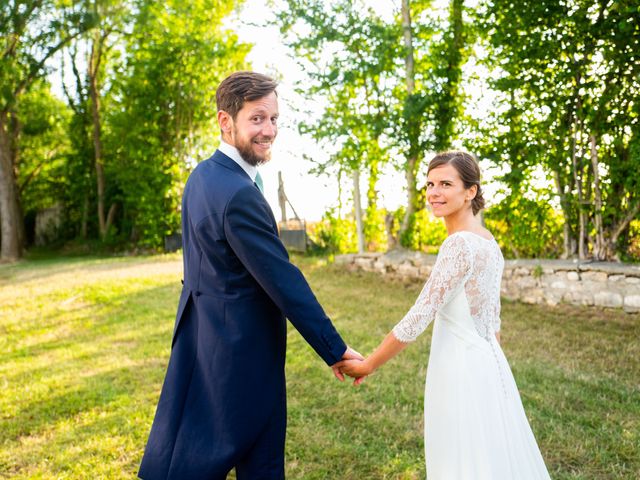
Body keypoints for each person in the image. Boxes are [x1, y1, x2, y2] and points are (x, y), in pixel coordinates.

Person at [138, 71, 362, 480]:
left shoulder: (201, 176)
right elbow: (284, 282)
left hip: (202, 342)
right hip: (244, 354)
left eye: (274, 119)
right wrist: (335, 349)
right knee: (257, 463)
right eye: (257, 119)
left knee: (188, 449)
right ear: (227, 122)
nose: (270, 130)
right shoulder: (240, 193)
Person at [338, 151, 551, 479]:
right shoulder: (489, 243)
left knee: (462, 460)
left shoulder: (459, 245)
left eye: (445, 184)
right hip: (491, 367)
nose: (434, 193)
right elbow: (493, 323)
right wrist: (494, 373)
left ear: (471, 192)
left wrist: (368, 364)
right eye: (430, 184)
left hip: (461, 370)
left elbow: (419, 315)